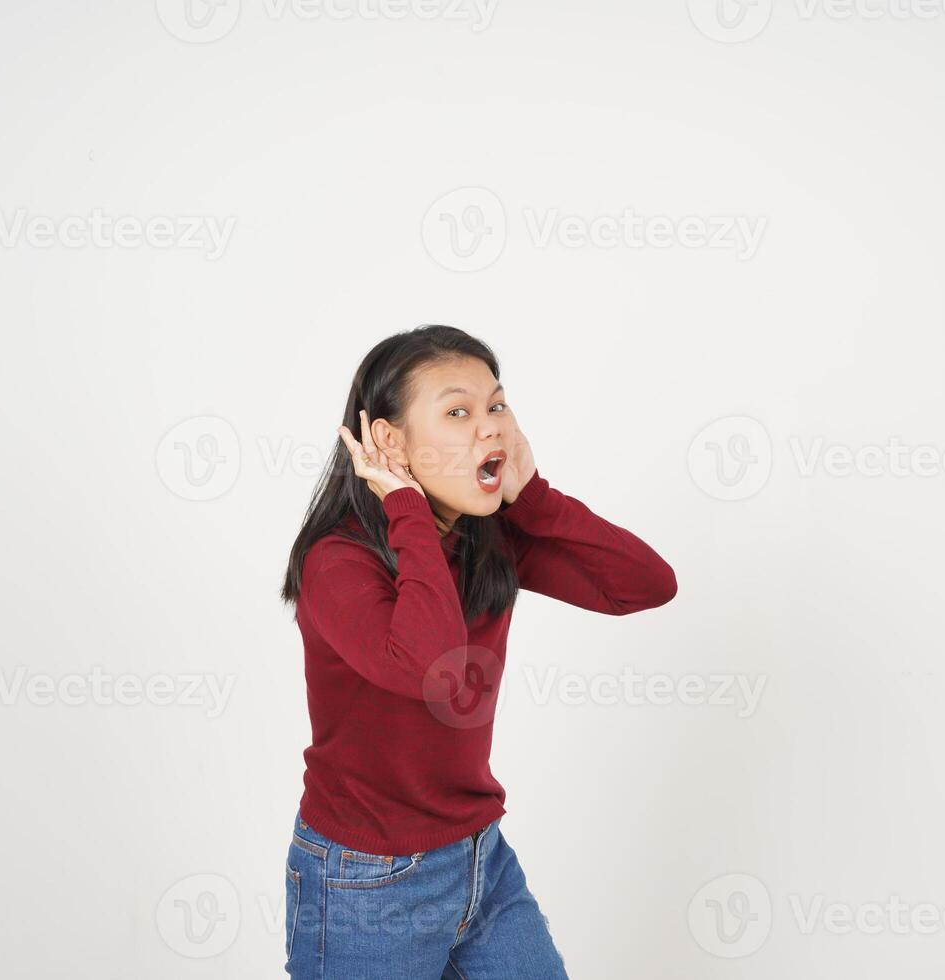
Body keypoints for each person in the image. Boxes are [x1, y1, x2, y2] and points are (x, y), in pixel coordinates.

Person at [279, 324, 678, 978]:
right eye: (459, 412)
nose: (491, 427)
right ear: (389, 442)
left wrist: (538, 499)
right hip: (367, 881)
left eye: (497, 405)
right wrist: (406, 503)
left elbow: (644, 586)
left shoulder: (489, 539)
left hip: (481, 859)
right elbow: (427, 665)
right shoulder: (338, 561)